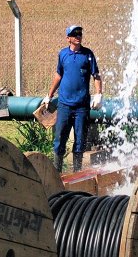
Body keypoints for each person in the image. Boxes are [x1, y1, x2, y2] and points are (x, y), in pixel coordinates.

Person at [41, 25, 102, 173]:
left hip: (82, 106)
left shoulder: (88, 55)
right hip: (64, 105)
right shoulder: (63, 54)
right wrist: (49, 96)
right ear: (68, 38)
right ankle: (57, 173)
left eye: (80, 33)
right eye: (74, 34)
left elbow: (96, 76)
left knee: (80, 140)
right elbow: (58, 75)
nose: (78, 36)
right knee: (60, 138)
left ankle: (77, 174)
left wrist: (99, 94)